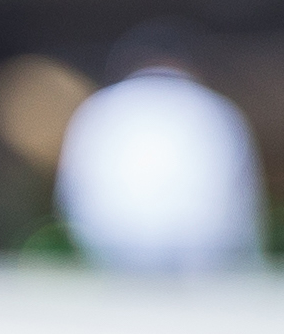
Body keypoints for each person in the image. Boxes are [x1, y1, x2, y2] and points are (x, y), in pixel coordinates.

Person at [54, 33, 264, 274]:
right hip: (199, 257)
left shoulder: (99, 107)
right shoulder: (218, 109)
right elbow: (244, 199)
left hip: (115, 250)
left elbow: (71, 192)